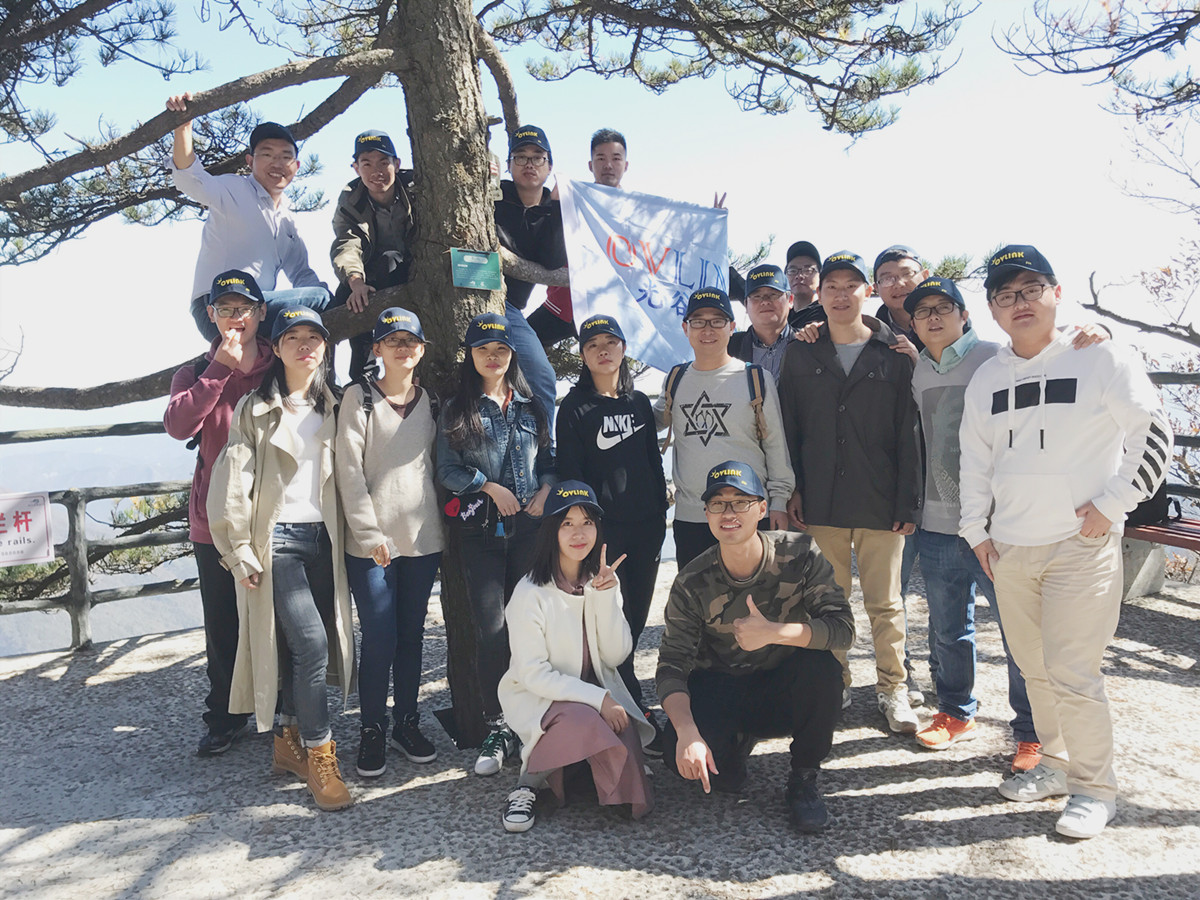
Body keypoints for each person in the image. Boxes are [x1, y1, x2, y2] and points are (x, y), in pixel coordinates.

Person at [959, 245, 1172, 839]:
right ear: (993, 309)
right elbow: (974, 459)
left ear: (1056, 293)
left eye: (1031, 289)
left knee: (1074, 672)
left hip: (1080, 545)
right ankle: (1054, 764)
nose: (1019, 303)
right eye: (1005, 295)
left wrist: (1112, 505)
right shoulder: (988, 377)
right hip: (1009, 548)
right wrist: (976, 531)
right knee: (1035, 669)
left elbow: (1153, 432)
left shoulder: (1100, 355)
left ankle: (1095, 788)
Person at [208, 306, 356, 812]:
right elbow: (233, 482)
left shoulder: (337, 404)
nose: (305, 345)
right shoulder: (254, 408)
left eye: (314, 336)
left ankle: (287, 741)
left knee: (299, 648)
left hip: (326, 539)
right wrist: (238, 550)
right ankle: (320, 754)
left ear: (326, 346)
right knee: (313, 644)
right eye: (293, 337)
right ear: (275, 347)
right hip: (278, 542)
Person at [656, 462, 853, 833]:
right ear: (706, 514)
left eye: (740, 502)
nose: (729, 513)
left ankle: (804, 778)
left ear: (762, 508)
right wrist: (687, 732)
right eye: (718, 504)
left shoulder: (801, 554)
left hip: (783, 686)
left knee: (824, 671)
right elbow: (671, 664)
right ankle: (733, 748)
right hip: (721, 685)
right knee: (680, 758)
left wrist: (775, 632)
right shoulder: (692, 581)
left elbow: (842, 629)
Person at [777, 251, 922, 733]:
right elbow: (789, 427)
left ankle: (893, 688)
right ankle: (834, 681)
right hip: (821, 499)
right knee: (828, 601)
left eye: (851, 285)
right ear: (818, 295)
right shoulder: (802, 352)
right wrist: (793, 490)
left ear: (868, 292)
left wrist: (908, 501)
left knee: (886, 603)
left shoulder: (893, 353)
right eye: (832, 287)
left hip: (881, 499)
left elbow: (909, 433)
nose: (841, 295)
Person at [496, 481, 655, 832]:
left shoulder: (601, 579)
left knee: (634, 798)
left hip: (593, 693)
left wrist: (606, 598)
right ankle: (528, 784)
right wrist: (599, 699)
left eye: (587, 522)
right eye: (567, 523)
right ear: (551, 531)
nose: (578, 533)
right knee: (584, 720)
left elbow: (617, 654)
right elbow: (534, 675)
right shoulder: (530, 593)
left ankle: (579, 768)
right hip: (544, 697)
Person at [437, 312, 556, 777]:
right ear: (470, 355)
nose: (493, 357)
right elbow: (446, 470)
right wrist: (487, 486)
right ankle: (498, 723)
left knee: (530, 624)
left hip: (530, 531)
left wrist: (545, 490)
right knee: (491, 630)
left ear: (511, 355)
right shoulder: (457, 408)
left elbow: (549, 459)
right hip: (481, 532)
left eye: (501, 349)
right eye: (483, 349)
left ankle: (536, 713)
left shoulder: (530, 405)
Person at [164, 269, 275, 756]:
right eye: (226, 309)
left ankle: (284, 712)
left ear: (261, 312)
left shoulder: (281, 363)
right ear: (211, 315)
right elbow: (177, 424)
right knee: (223, 624)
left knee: (281, 618)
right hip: (215, 520)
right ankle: (226, 716)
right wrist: (220, 370)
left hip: (275, 515)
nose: (236, 317)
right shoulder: (194, 371)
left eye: (244, 308)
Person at [336, 307, 444, 778]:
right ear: (376, 348)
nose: (403, 348)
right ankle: (372, 728)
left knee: (411, 635)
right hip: (371, 544)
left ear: (422, 350)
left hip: (423, 537)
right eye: (393, 340)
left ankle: (406, 722)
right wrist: (369, 534)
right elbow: (348, 471)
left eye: (411, 341)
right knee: (380, 636)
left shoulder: (432, 401)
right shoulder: (358, 398)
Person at [556, 314, 669, 749]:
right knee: (606, 621)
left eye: (610, 342)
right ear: (583, 356)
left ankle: (627, 700)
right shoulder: (574, 407)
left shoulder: (638, 402)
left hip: (647, 526)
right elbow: (571, 474)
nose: (602, 350)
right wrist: (585, 531)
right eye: (592, 345)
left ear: (623, 349)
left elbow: (653, 460)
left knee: (635, 618)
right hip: (605, 533)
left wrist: (660, 509)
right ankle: (624, 706)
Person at [165, 94, 330, 341]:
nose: (277, 163)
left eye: (285, 157)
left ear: (296, 166)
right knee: (320, 298)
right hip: (216, 307)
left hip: (256, 310)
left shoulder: (287, 219)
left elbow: (302, 273)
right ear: (250, 161)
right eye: (267, 155)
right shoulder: (234, 189)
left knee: (318, 306)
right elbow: (190, 179)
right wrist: (183, 126)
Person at [653, 287, 794, 569]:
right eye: (698, 321)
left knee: (756, 594)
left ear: (732, 327)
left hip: (749, 514)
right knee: (696, 595)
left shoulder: (756, 378)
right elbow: (650, 421)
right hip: (692, 517)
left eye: (717, 321)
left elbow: (776, 445)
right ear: (686, 328)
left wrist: (778, 502)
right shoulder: (675, 379)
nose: (708, 329)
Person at [529, 128, 630, 350]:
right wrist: (556, 204)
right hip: (563, 304)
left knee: (609, 365)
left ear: (626, 165)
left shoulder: (637, 213)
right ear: (590, 165)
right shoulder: (572, 200)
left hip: (612, 309)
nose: (608, 165)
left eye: (616, 158)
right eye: (601, 158)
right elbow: (545, 245)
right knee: (517, 344)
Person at [329, 130, 418, 379]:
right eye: (367, 164)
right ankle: (355, 369)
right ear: (356, 168)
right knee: (341, 298)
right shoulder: (351, 199)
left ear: (396, 164)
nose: (376, 171)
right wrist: (355, 281)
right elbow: (347, 243)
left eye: (383, 162)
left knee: (390, 260)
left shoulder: (416, 188)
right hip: (371, 273)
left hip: (411, 269)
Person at [493, 124, 567, 425]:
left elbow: (552, 261)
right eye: (520, 157)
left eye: (538, 157)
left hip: (509, 307)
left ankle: (545, 446)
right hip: (475, 292)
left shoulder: (554, 207)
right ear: (509, 164)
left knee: (540, 376)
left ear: (549, 165)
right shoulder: (494, 195)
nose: (529, 164)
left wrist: (558, 208)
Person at [728, 264, 796, 381]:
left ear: (790, 300)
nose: (765, 301)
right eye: (756, 296)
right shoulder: (729, 347)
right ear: (746, 304)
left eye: (773, 295)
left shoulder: (808, 343)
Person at [872, 245, 928, 349]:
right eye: (887, 279)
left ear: (925, 277)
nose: (899, 284)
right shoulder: (870, 337)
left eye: (907, 274)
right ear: (876, 289)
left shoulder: (951, 324)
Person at [784, 241, 825, 329]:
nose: (799, 276)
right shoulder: (782, 318)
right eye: (792, 271)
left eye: (808, 270)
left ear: (820, 276)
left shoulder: (828, 313)